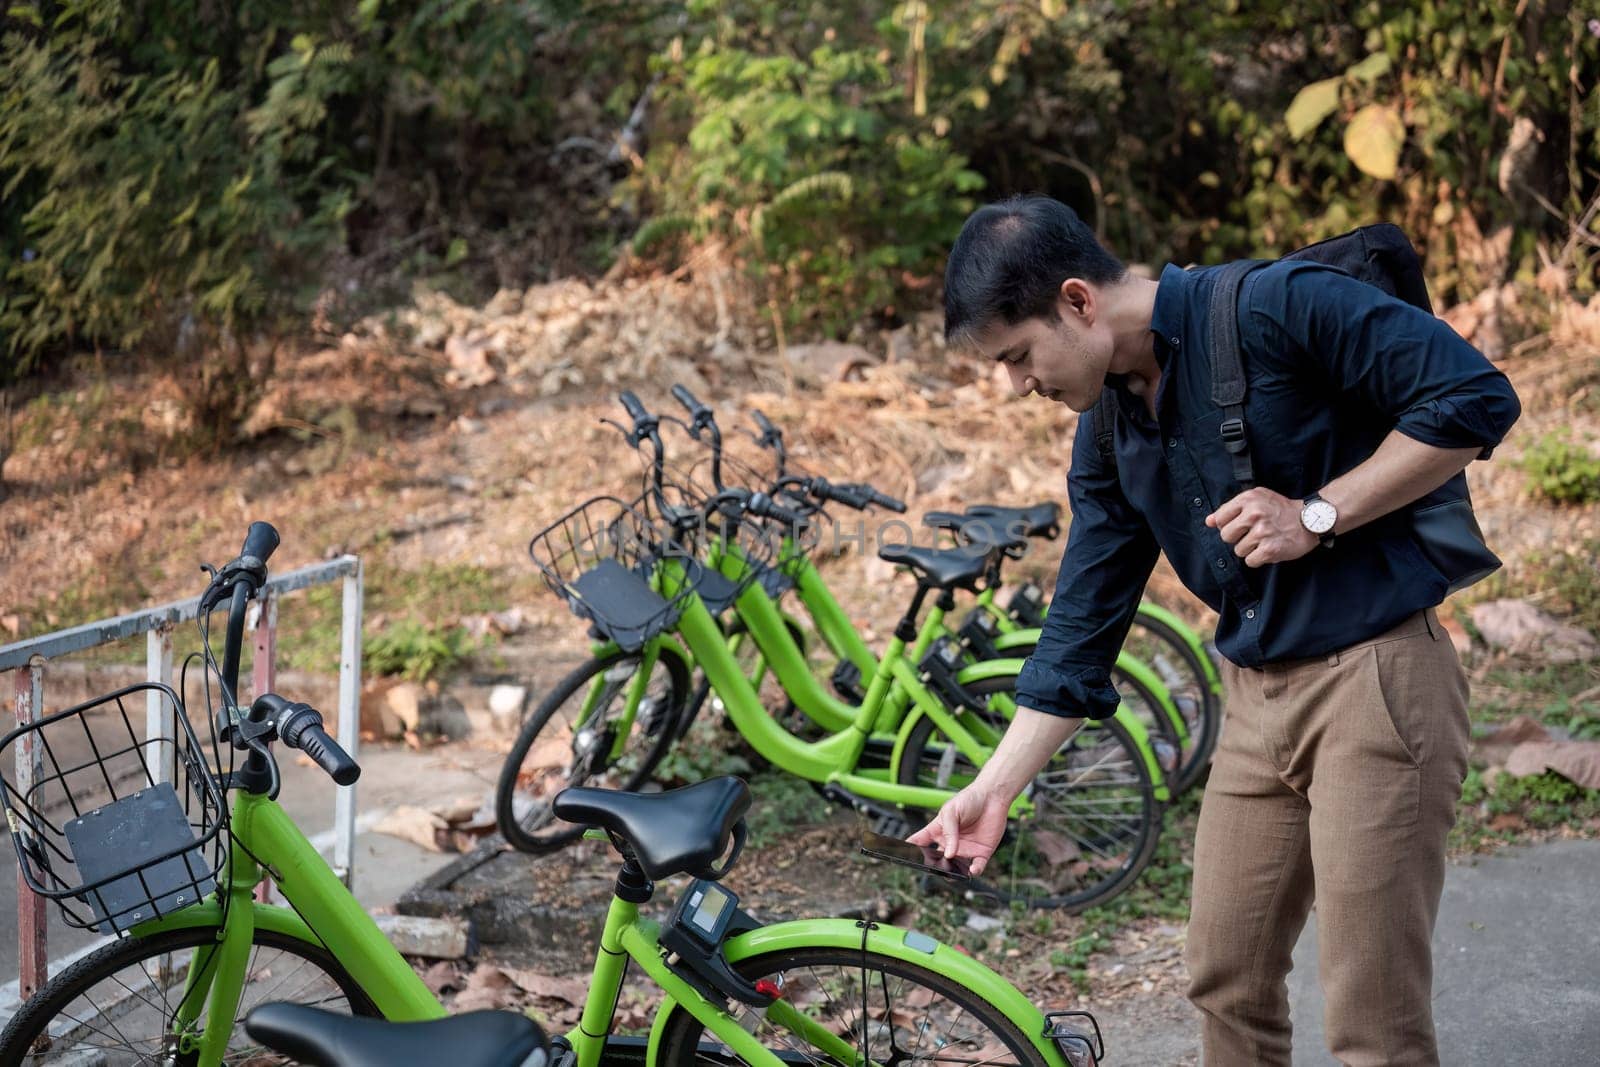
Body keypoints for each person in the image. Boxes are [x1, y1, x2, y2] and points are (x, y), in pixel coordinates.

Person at [911, 195, 1520, 1066]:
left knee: (1372, 1020)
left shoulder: (1278, 305)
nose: (1017, 385)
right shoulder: (1110, 425)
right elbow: (1083, 623)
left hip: (1376, 679)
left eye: (1017, 356)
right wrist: (993, 789)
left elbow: (1474, 395)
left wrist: (1318, 511)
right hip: (1254, 703)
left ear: (1078, 301)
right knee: (1225, 977)